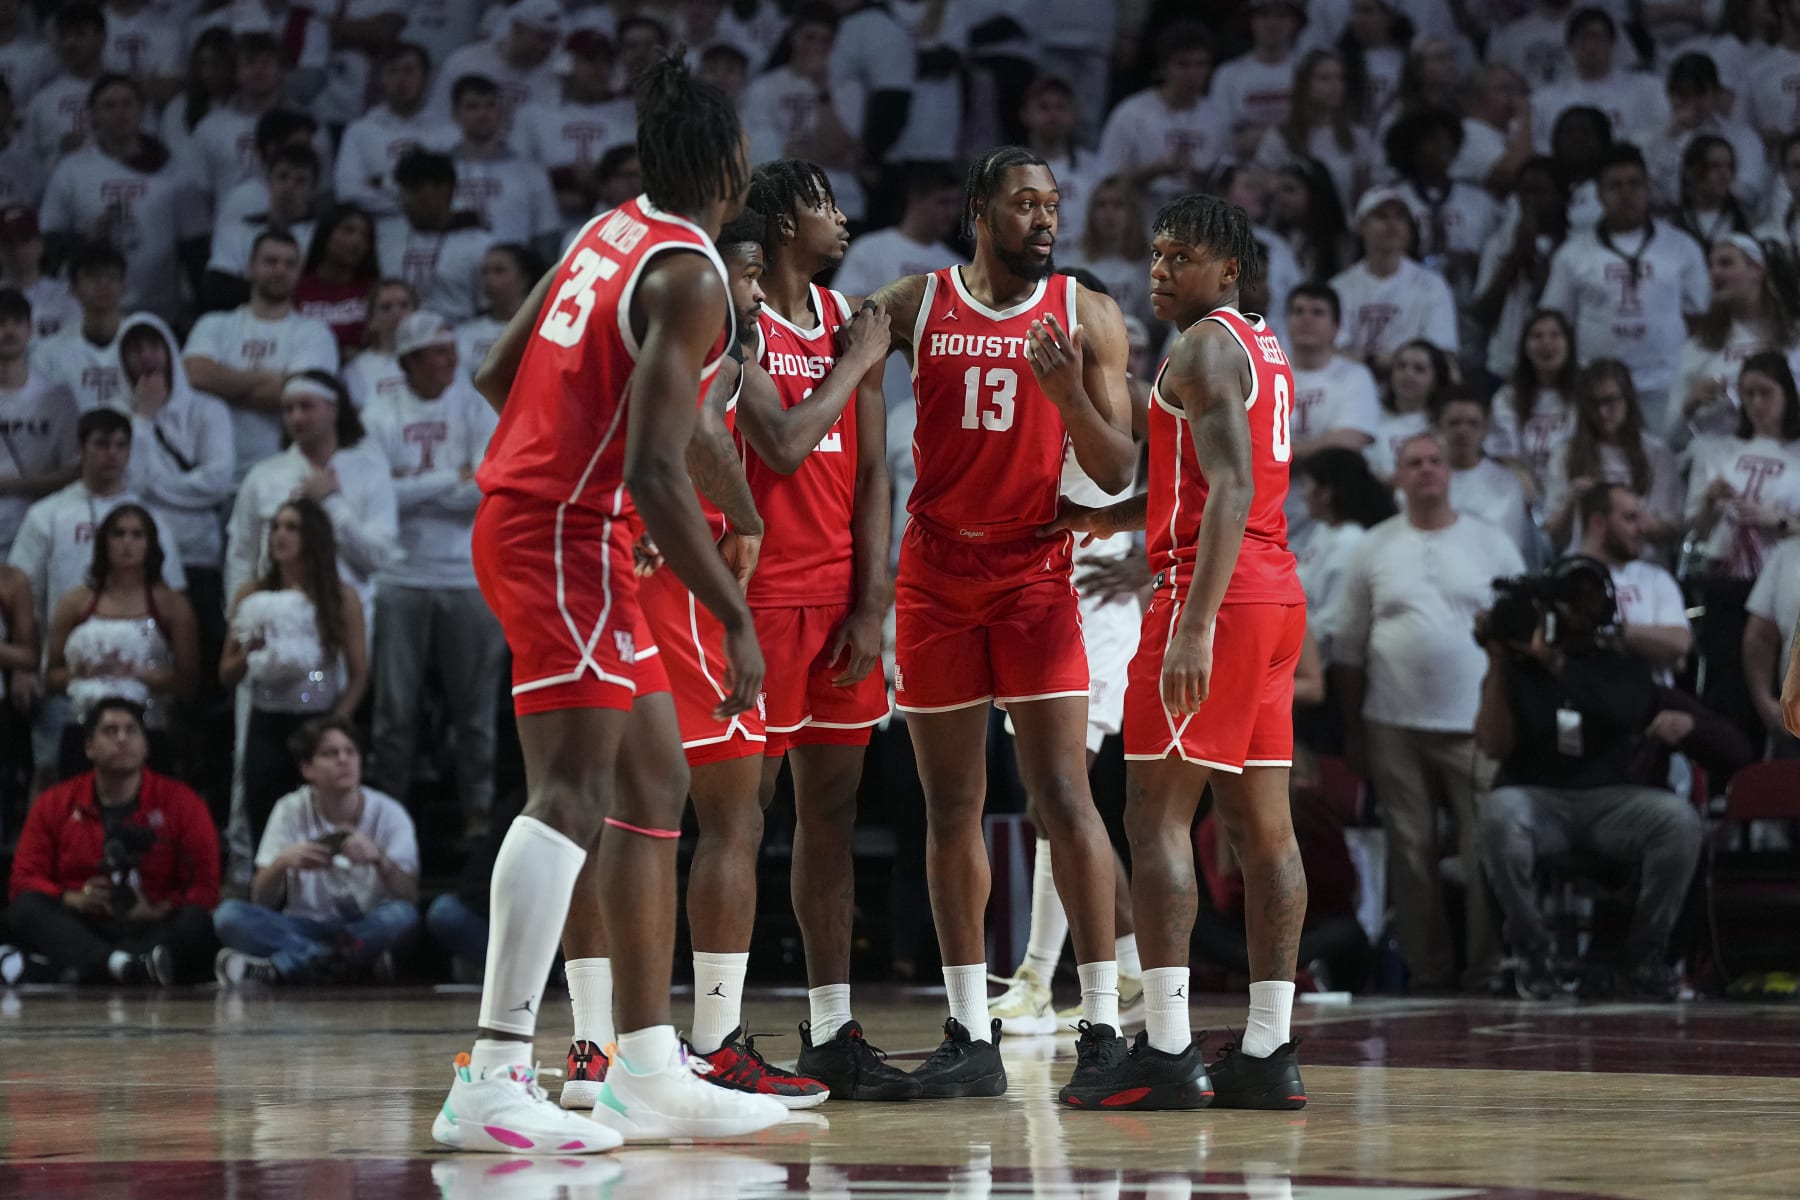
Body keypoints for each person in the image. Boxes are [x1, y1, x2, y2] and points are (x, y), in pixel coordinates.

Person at [435, 54, 785, 1152]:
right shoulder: (694, 280)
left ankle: (644, 1068)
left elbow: (499, 372)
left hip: (541, 519)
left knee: (651, 775)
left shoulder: (608, 231)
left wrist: (564, 450)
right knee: (571, 794)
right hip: (563, 535)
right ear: (732, 166)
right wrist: (731, 610)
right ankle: (491, 1073)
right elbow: (653, 470)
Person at [859, 144, 1136, 1099]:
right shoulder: (911, 304)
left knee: (1065, 796)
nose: (1046, 220)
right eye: (1026, 204)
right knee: (950, 807)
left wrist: (1065, 396)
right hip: (935, 576)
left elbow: (1115, 474)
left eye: (1054, 204)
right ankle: (969, 1029)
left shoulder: (1089, 315)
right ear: (981, 211)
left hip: (1033, 575)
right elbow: (828, 356)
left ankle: (1101, 1024)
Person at [1036, 191, 1308, 1110]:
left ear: (1228, 266)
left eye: (1178, 256)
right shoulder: (1258, 342)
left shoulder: (1200, 346)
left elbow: (1227, 485)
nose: (1158, 271)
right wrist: (1111, 514)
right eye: (1154, 256)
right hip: (1273, 593)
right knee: (1264, 829)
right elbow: (1206, 474)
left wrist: (1190, 618)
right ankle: (1268, 1050)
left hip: (1217, 601)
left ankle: (1167, 1047)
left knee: (1154, 819)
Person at [731, 163, 909, 1099]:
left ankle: (830, 1026)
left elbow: (876, 469)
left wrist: (874, 602)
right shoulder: (741, 315)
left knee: (830, 818)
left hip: (841, 603)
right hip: (758, 597)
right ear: (782, 221)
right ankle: (717, 1027)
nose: (842, 219)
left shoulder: (851, 317)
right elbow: (785, 442)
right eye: (825, 205)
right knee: (738, 818)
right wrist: (856, 362)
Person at [1333, 431, 1524, 992]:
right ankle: (1429, 972)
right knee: (1410, 851)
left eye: (1435, 461)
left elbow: (1518, 636)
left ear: (1449, 472)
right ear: (1398, 475)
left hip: (1475, 723)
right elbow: (1349, 648)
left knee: (1482, 845)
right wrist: (1353, 731)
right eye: (1413, 462)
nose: (1425, 470)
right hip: (1391, 719)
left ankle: (1487, 970)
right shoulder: (1373, 546)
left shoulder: (1491, 545)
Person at [1474, 556, 1706, 1000]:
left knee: (1678, 820)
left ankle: (1644, 954)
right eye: (1570, 602)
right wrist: (1498, 663)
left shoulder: (1619, 665)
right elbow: (1492, 745)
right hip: (1538, 797)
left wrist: (1555, 661)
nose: (1579, 612)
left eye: (1588, 602)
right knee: (1499, 811)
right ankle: (1531, 951)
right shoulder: (1519, 668)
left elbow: (1623, 712)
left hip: (1610, 800)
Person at [361, 312, 502, 840]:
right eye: (439, 350)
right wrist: (451, 478)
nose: (452, 358)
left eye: (451, 347)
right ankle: (388, 818)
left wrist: (414, 485)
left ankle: (479, 818)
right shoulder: (379, 414)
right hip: (401, 576)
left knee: (475, 711)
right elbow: (379, 496)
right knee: (394, 712)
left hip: (467, 577)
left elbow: (485, 484)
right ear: (410, 361)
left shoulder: (474, 405)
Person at [3, 697, 218, 984]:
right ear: (89, 746)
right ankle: (124, 966)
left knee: (197, 922)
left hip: (150, 924)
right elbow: (24, 878)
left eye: (131, 731)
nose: (122, 739)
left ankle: (87, 968)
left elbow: (205, 885)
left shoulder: (182, 802)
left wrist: (159, 908)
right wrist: (71, 898)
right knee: (25, 908)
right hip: (81, 923)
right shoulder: (54, 803)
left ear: (146, 746)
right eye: (110, 731)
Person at [214, 715, 418, 985]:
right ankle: (343, 965)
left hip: (362, 926)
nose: (344, 760)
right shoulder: (289, 809)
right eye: (331, 754)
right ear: (308, 768)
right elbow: (261, 898)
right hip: (302, 926)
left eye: (350, 752)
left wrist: (380, 858)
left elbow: (410, 896)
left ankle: (283, 967)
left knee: (402, 917)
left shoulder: (389, 812)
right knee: (229, 915)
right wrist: (283, 862)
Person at [221, 498, 366, 850]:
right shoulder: (252, 594)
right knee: (265, 822)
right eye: (276, 527)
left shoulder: (340, 598)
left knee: (319, 825)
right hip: (267, 722)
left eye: (292, 527)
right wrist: (248, 654)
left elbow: (360, 673)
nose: (280, 535)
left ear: (312, 537)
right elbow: (226, 674)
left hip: (316, 718)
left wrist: (334, 725)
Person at [1540, 144, 1710, 432]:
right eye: (1615, 186)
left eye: (1634, 184)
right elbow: (1557, 322)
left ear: (1648, 188)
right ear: (1599, 194)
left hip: (1664, 383)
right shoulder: (1573, 253)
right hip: (1596, 386)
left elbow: (1700, 319)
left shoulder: (1682, 246)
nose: (1626, 194)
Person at [222, 371, 397, 624]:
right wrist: (238, 618)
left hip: (347, 617)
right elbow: (241, 555)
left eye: (306, 407)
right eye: (288, 409)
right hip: (274, 616)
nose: (296, 417)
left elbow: (377, 557)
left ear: (333, 409)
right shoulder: (263, 476)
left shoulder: (369, 470)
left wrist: (331, 502)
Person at [1685, 352, 1800, 732]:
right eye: (1747, 394)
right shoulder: (1722, 450)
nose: (1756, 404)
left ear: (1787, 393)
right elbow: (1697, 533)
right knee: (1725, 687)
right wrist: (1708, 501)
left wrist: (1777, 520)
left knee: (1772, 682)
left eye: (1765, 393)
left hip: (1775, 580)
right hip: (1726, 578)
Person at [43, 503, 197, 777]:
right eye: (119, 534)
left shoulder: (172, 605)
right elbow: (51, 677)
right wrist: (82, 675)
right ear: (104, 542)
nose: (128, 542)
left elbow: (188, 683)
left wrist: (138, 674)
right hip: (84, 729)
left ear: (151, 543)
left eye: (137, 535)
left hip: (148, 729)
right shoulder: (76, 602)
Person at [38, 73, 199, 325]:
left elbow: (194, 244)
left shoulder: (173, 168)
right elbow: (48, 240)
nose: (119, 113)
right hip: (89, 312)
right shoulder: (71, 170)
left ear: (142, 110)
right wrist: (85, 239)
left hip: (161, 311)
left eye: (127, 104)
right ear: (93, 114)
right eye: (109, 106)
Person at [184, 232, 341, 476]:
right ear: (250, 268)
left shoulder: (315, 333)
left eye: (290, 264)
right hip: (212, 473)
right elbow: (195, 376)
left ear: (299, 273)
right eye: (270, 261)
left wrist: (223, 383)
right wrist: (266, 378)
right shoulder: (213, 324)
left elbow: (302, 397)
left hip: (283, 473)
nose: (280, 270)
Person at [1671, 233, 1800, 446]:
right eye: (1710, 266)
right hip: (1721, 462)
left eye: (1726, 263)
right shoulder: (1700, 347)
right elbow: (1670, 436)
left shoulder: (1794, 336)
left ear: (1757, 270)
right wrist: (1691, 405)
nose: (1715, 272)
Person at [1542, 360, 1683, 552]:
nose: (1602, 412)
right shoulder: (1565, 453)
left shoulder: (1657, 452)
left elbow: (1669, 527)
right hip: (1585, 563)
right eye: (1594, 403)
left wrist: (1625, 517)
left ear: (1627, 400)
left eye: (1610, 401)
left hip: (1642, 566)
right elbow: (1550, 535)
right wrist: (1570, 504)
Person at [1096, 23, 1224, 226]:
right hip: (1141, 226)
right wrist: (1154, 171)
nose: (1193, 73)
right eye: (1183, 64)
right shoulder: (1131, 113)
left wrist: (1203, 177)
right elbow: (1106, 183)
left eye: (1200, 64)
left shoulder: (1217, 117)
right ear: (1164, 68)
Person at [1329, 188, 1458, 376]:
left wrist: (1370, 360)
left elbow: (1439, 355)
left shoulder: (1432, 285)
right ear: (1362, 226)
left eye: (1400, 218)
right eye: (1381, 217)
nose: (1392, 225)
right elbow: (1331, 354)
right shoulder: (1339, 288)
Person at [513, 31, 637, 226]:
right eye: (590, 60)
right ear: (567, 64)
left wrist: (592, 190)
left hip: (614, 217)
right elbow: (520, 170)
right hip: (547, 216)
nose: (599, 70)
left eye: (607, 62)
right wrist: (566, 178)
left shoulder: (629, 113)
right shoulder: (534, 114)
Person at [1577, 483, 1693, 682]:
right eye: (1631, 518)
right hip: (1589, 696)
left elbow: (1679, 643)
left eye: (1642, 518)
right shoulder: (1569, 576)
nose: (1642, 529)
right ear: (1598, 523)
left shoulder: (1656, 578)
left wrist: (1614, 634)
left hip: (1656, 699)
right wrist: (1648, 641)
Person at [1293, 447, 1397, 658]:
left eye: (1307, 485)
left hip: (1322, 661)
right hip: (1302, 644)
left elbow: (1334, 620)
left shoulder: (1350, 542)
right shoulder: (1324, 529)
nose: (1303, 495)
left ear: (1325, 493)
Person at [446, 74, 560, 262]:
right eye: (473, 107)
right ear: (455, 113)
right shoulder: (442, 171)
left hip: (513, 275)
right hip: (454, 271)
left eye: (490, 106)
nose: (483, 114)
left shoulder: (529, 171)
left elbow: (546, 235)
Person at [336, 42, 456, 219]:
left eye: (409, 70)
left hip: (435, 232)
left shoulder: (449, 131)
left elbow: (455, 192)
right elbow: (348, 192)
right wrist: (414, 202)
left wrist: (381, 184)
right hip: (378, 232)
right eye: (392, 71)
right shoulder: (359, 131)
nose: (400, 79)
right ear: (380, 78)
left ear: (426, 76)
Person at [0, 287, 79, 556]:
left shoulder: (58, 397)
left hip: (37, 530)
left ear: (30, 329)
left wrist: (14, 485)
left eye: (17, 322)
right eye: (1, 323)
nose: (9, 330)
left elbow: (73, 470)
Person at [378, 150, 496, 323]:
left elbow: (489, 309)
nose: (408, 200)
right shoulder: (388, 240)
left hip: (460, 336)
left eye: (415, 190)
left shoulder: (480, 244)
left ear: (444, 189)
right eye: (405, 191)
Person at [202, 143, 321, 314]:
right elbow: (218, 289)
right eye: (282, 177)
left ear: (313, 190)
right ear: (268, 181)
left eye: (300, 181)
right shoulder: (237, 231)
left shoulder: (321, 235)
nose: (289, 187)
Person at [1253, 50, 1371, 215]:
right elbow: (1263, 183)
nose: (1335, 85)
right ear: (1304, 84)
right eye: (1324, 78)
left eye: (1339, 77)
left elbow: (1363, 194)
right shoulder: (1280, 137)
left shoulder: (1356, 136)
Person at [1486, 309, 1579, 506]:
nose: (1546, 343)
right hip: (1522, 495)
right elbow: (1502, 453)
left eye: (1555, 335)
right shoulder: (1507, 397)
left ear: (1569, 343)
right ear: (1525, 347)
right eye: (1537, 336)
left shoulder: (1584, 395)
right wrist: (1522, 478)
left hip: (1572, 496)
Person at [28, 242, 130, 415]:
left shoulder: (148, 343)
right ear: (73, 288)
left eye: (112, 276)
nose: (103, 284)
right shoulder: (47, 354)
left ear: (124, 286)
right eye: (93, 276)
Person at [1434, 386, 1535, 558]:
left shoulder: (1507, 484)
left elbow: (1508, 550)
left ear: (1485, 427)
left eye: (1473, 423)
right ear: (1439, 426)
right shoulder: (1426, 478)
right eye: (1454, 423)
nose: (1463, 431)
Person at [295, 205, 382, 359]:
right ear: (326, 234)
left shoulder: (375, 291)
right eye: (348, 230)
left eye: (365, 236)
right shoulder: (296, 287)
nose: (357, 241)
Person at [1366, 338, 1455, 481]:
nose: (1408, 374)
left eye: (1419, 369)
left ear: (1436, 380)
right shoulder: (1369, 415)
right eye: (1401, 366)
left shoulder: (1446, 423)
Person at [457, 245, 541, 375]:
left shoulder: (543, 330)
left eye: (499, 271)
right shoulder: (465, 334)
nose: (488, 279)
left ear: (524, 278)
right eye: (485, 272)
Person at [0, 208, 78, 340]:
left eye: (25, 240)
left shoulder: (66, 295)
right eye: (8, 243)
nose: (17, 249)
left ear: (40, 244)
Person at [341, 279, 418, 411]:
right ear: (371, 321)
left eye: (404, 305)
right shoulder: (354, 371)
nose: (396, 313)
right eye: (386, 307)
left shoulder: (438, 359)